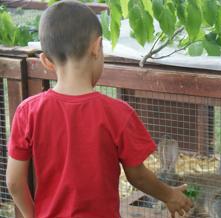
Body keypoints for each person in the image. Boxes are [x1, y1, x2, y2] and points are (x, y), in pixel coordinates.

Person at [5, 1, 192, 218]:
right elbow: (137, 176)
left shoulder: (27, 112)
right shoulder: (119, 113)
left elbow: (14, 182)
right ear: (97, 47)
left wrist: (32, 215)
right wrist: (169, 195)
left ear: (46, 61)